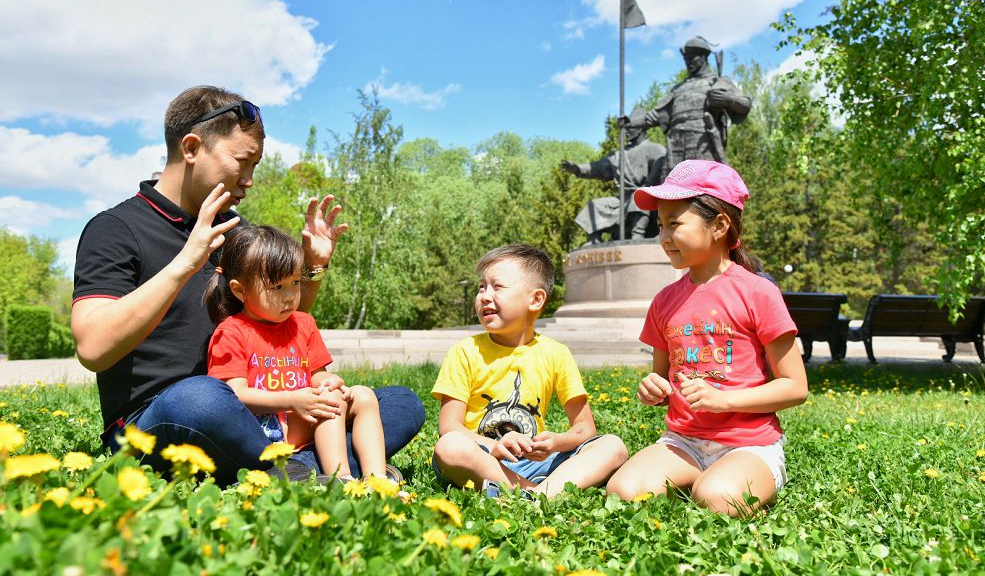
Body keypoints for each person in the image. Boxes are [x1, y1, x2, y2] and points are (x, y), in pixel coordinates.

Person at [72, 85, 425, 485]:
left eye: (255, 165)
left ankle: (291, 471)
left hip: (263, 412)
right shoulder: (116, 229)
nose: (251, 180)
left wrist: (313, 268)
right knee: (201, 397)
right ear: (192, 148)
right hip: (164, 417)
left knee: (399, 402)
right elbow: (93, 349)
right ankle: (312, 470)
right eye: (243, 162)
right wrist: (185, 263)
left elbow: (279, 320)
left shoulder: (238, 231)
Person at [605, 160, 808, 516]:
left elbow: (795, 387)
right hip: (682, 442)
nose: (664, 237)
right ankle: (704, 478)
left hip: (748, 445)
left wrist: (723, 400)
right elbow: (662, 380)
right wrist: (653, 389)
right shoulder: (664, 301)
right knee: (623, 492)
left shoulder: (757, 292)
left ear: (719, 225)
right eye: (660, 225)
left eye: (675, 224)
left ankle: (731, 479)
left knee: (716, 498)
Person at [431, 244, 627, 499]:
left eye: (497, 287)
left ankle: (529, 494)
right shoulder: (465, 352)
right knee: (449, 447)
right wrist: (494, 446)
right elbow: (449, 427)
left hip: (536, 462)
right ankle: (540, 493)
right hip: (483, 459)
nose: (485, 296)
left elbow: (584, 428)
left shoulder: (556, 353)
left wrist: (556, 442)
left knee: (613, 446)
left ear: (535, 300)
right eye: (481, 287)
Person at [204, 224, 396, 483]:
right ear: (240, 290)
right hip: (262, 431)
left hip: (301, 418)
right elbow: (234, 396)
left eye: (295, 282)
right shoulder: (232, 331)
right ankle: (342, 479)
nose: (290, 296)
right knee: (331, 403)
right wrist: (291, 400)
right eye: (277, 287)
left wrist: (330, 382)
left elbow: (317, 375)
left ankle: (378, 479)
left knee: (363, 395)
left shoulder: (303, 323)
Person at [620, 36, 751, 173]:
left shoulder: (716, 82)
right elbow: (654, 116)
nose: (688, 62)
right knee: (671, 185)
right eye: (686, 59)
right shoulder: (678, 89)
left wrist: (730, 99)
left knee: (702, 184)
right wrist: (629, 123)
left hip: (703, 146)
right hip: (675, 148)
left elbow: (745, 105)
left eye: (692, 58)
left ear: (703, 57)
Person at [561, 128, 665, 244]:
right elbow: (598, 167)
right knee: (595, 205)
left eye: (630, 128)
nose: (625, 132)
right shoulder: (619, 155)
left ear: (640, 129)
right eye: (624, 129)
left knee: (638, 197)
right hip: (622, 199)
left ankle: (637, 235)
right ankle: (594, 239)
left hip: (648, 197)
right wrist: (578, 169)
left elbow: (663, 170)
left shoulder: (655, 149)